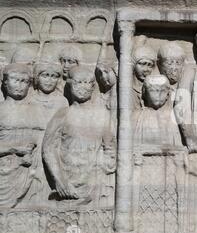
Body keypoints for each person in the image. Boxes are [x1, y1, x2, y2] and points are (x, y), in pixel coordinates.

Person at [42, 66, 116, 206]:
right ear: (69, 84)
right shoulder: (63, 114)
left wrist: (102, 172)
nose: (83, 87)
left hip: (96, 184)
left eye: (87, 83)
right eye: (78, 82)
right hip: (67, 183)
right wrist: (60, 180)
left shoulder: (102, 116)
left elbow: (110, 148)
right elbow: (49, 148)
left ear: (93, 86)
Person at [0, 63, 42, 207]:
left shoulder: (36, 110)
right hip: (5, 172)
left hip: (32, 172)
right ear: (5, 82)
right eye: (15, 80)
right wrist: (15, 148)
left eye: (24, 81)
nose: (19, 85)